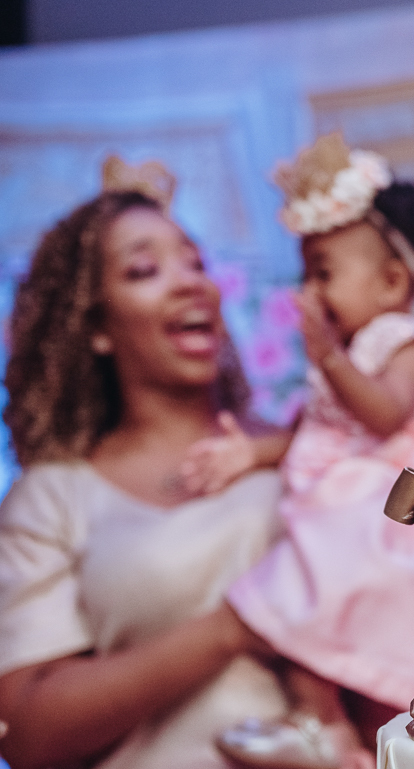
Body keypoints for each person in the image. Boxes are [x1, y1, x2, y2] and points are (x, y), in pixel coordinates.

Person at [180, 133, 414, 769]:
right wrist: (247, 456)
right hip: (333, 505)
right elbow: (311, 435)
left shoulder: (407, 343)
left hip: (379, 511)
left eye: (325, 273)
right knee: (304, 622)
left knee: (297, 600)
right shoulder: (341, 359)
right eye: (306, 273)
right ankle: (326, 727)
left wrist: (331, 359)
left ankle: (333, 726)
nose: (310, 292)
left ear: (392, 281)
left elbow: (384, 413)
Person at [0, 158, 287, 768]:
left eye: (196, 262)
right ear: (96, 327)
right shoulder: (53, 498)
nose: (191, 284)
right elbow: (26, 734)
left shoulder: (296, 449)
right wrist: (231, 629)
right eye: (144, 269)